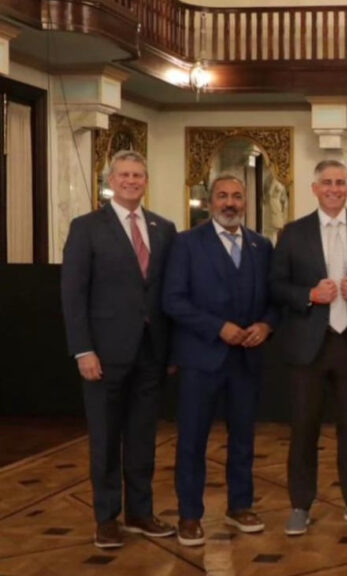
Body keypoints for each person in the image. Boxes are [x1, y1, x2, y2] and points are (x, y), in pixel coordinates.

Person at [61, 150, 177, 548]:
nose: (131, 181)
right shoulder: (86, 228)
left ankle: (141, 513)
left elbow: (166, 294)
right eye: (124, 175)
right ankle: (106, 518)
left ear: (146, 181)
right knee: (106, 439)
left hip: (152, 353)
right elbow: (73, 294)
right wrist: (83, 350)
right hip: (103, 355)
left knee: (143, 439)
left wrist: (171, 352)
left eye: (138, 175)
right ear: (111, 180)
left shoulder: (164, 228)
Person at [270, 159, 347, 535]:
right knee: (304, 429)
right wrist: (309, 294)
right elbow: (276, 285)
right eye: (327, 182)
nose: (334, 189)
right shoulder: (293, 233)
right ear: (315, 188)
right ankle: (300, 506)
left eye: (340, 182)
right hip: (309, 346)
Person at [162, 175, 277, 546]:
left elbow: (274, 299)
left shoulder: (261, 245)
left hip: (247, 360)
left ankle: (240, 506)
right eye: (223, 196)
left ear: (246, 202)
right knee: (192, 441)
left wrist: (266, 325)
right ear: (210, 202)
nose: (230, 203)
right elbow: (173, 300)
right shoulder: (186, 243)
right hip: (201, 360)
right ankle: (189, 515)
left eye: (237, 196)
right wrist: (217, 328)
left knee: (243, 438)